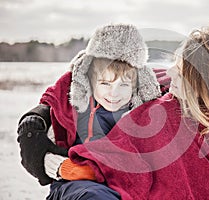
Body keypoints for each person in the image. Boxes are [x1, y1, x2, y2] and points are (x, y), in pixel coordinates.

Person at [57, 24, 209, 199]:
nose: (171, 71)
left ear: (205, 86)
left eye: (180, 71)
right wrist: (91, 167)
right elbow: (128, 146)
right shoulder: (167, 102)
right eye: (174, 63)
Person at [17, 24, 165, 199]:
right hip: (76, 184)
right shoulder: (76, 105)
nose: (114, 93)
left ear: (136, 84)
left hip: (126, 184)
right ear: (90, 80)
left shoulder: (141, 110)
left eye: (124, 85)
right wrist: (35, 120)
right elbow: (51, 105)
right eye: (105, 84)